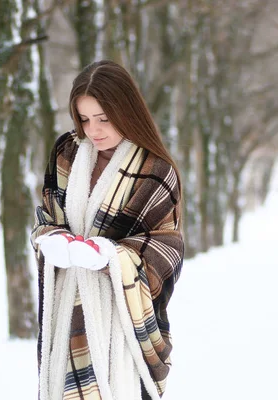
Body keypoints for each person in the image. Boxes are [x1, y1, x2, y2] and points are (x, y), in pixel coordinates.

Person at [30, 60, 184, 400]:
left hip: (122, 322)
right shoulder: (66, 152)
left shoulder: (156, 170)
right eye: (84, 119)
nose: (93, 130)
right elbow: (48, 217)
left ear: (126, 110)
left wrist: (110, 256)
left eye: (103, 118)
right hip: (68, 311)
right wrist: (50, 239)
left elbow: (167, 249)